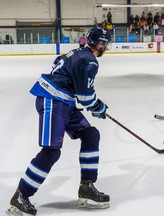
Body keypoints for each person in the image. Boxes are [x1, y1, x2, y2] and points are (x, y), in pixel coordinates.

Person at [6, 27, 111, 216]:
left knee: (90, 134)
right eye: (106, 44)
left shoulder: (79, 53)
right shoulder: (90, 61)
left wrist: (93, 105)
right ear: (101, 45)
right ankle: (21, 196)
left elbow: (67, 76)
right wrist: (99, 106)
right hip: (53, 101)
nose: (106, 48)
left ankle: (86, 187)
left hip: (64, 101)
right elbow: (86, 98)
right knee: (51, 152)